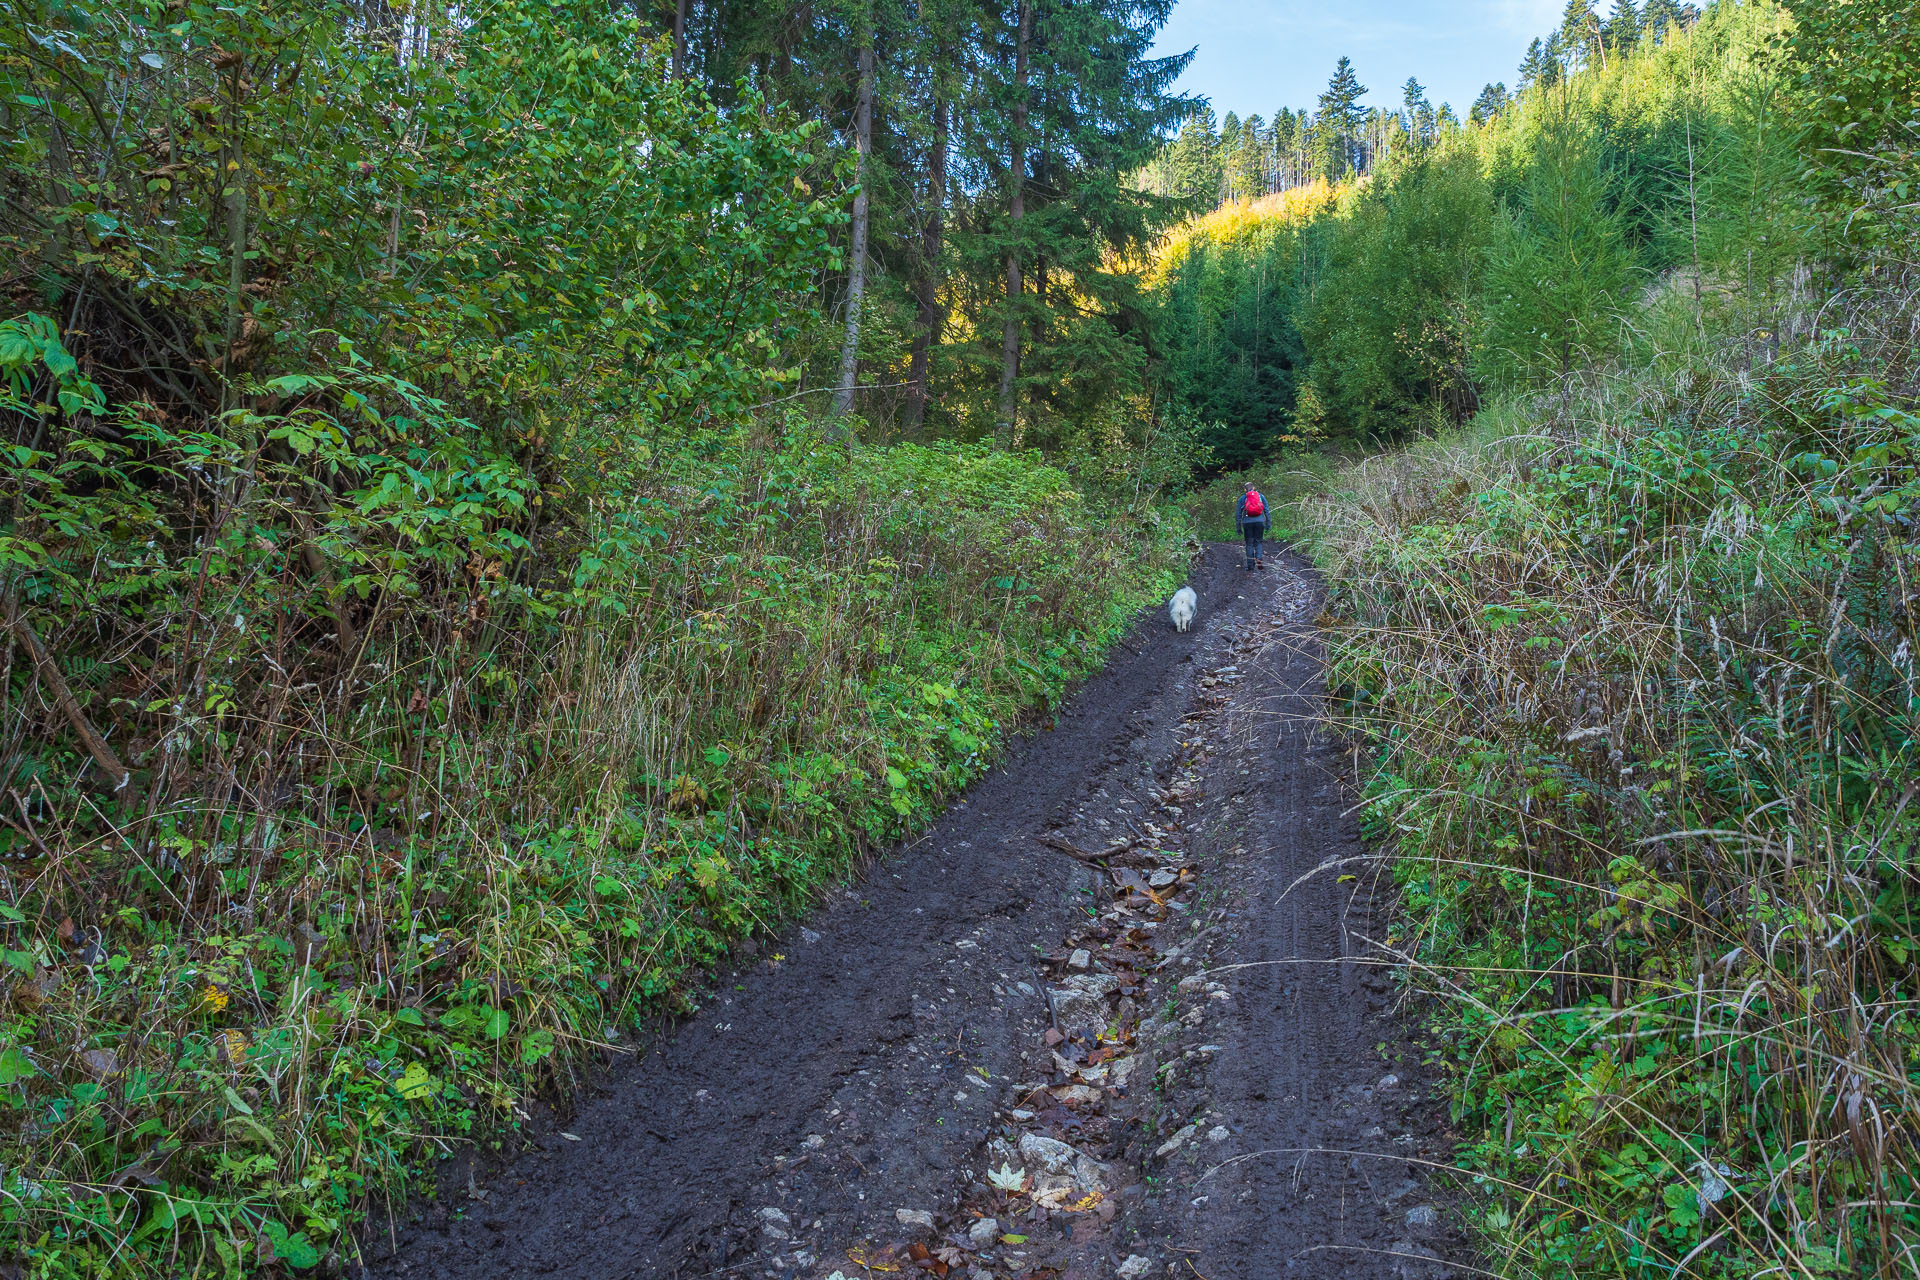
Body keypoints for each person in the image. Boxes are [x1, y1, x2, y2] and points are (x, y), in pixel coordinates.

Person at [1236, 483, 1270, 571]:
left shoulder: (1243, 498)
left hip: (1247, 523)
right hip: (1260, 521)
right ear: (1254, 488)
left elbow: (1238, 514)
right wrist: (1268, 523)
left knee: (1249, 543)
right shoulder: (1261, 496)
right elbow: (1266, 510)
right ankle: (1259, 559)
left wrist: (1238, 527)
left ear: (1245, 490)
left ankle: (1250, 565)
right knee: (1258, 542)